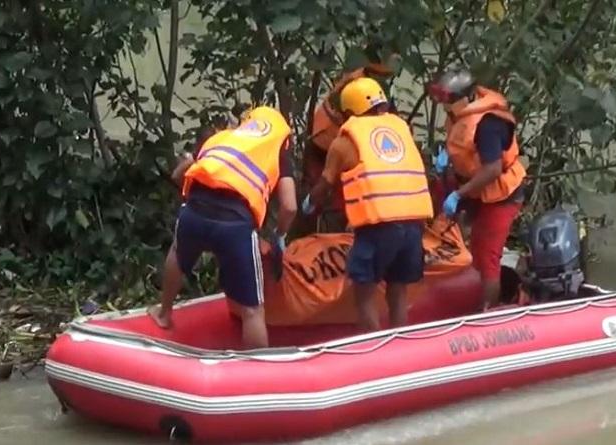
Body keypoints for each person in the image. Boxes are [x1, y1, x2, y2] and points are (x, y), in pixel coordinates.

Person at [148, 106, 298, 349]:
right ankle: (259, 367)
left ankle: (164, 314)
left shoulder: (221, 138)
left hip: (195, 211)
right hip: (235, 225)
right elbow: (289, 206)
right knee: (252, 310)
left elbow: (178, 174)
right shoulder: (277, 153)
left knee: (177, 251)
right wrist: (279, 235)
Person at [301, 77, 434, 332]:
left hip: (378, 226)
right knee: (398, 290)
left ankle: (373, 345)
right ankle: (399, 343)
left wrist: (308, 204)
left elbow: (326, 184)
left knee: (364, 292)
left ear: (349, 110)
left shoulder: (345, 142)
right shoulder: (401, 130)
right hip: (413, 224)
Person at [427, 69, 527, 311]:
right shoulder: (459, 115)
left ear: (466, 97)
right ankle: (456, 291)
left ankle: (487, 313)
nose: (443, 104)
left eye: (448, 99)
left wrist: (458, 195)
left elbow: (492, 169)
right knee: (443, 230)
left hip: (501, 195)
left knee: (486, 256)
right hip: (472, 187)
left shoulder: (488, 125)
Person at [300, 45, 401, 233]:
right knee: (330, 198)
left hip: (339, 140)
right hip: (326, 141)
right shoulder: (356, 86)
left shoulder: (374, 84)